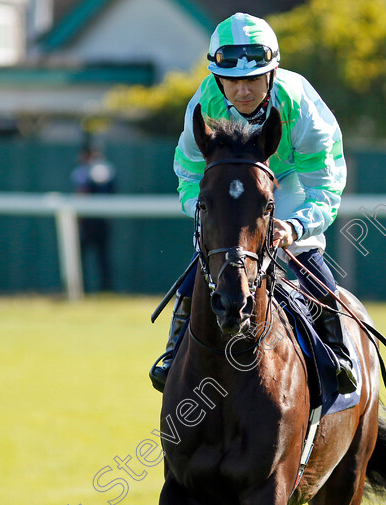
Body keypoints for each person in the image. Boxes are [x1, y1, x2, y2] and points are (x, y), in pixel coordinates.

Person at [149, 12, 356, 395]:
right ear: (217, 78)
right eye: (232, 80)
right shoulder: (204, 103)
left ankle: (337, 352)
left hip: (291, 180)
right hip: (229, 188)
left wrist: (295, 227)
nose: (242, 91)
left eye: (253, 79)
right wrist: (207, 213)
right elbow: (189, 174)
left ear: (271, 75)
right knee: (211, 254)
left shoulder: (299, 102)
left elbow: (324, 185)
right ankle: (174, 349)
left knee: (307, 253)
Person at [71, 145, 116, 291]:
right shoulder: (108, 169)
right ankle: (105, 288)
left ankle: (78, 288)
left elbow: (82, 192)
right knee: (103, 258)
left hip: (89, 221)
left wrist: (79, 218)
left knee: (79, 257)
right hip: (103, 221)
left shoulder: (83, 171)